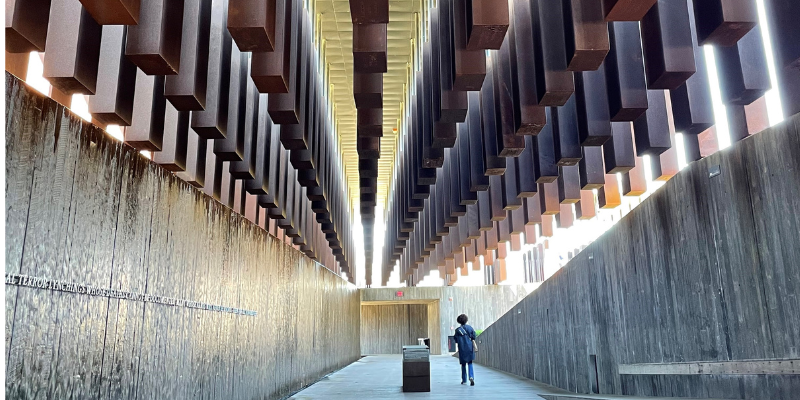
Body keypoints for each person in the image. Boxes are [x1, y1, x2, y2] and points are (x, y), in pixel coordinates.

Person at [453, 314, 477, 386]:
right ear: (466, 320)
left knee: (463, 364)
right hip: (469, 348)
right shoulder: (470, 328)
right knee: (470, 363)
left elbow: (456, 339)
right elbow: (474, 336)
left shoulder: (457, 330)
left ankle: (464, 380)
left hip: (462, 348)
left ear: (459, 321)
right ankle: (471, 377)